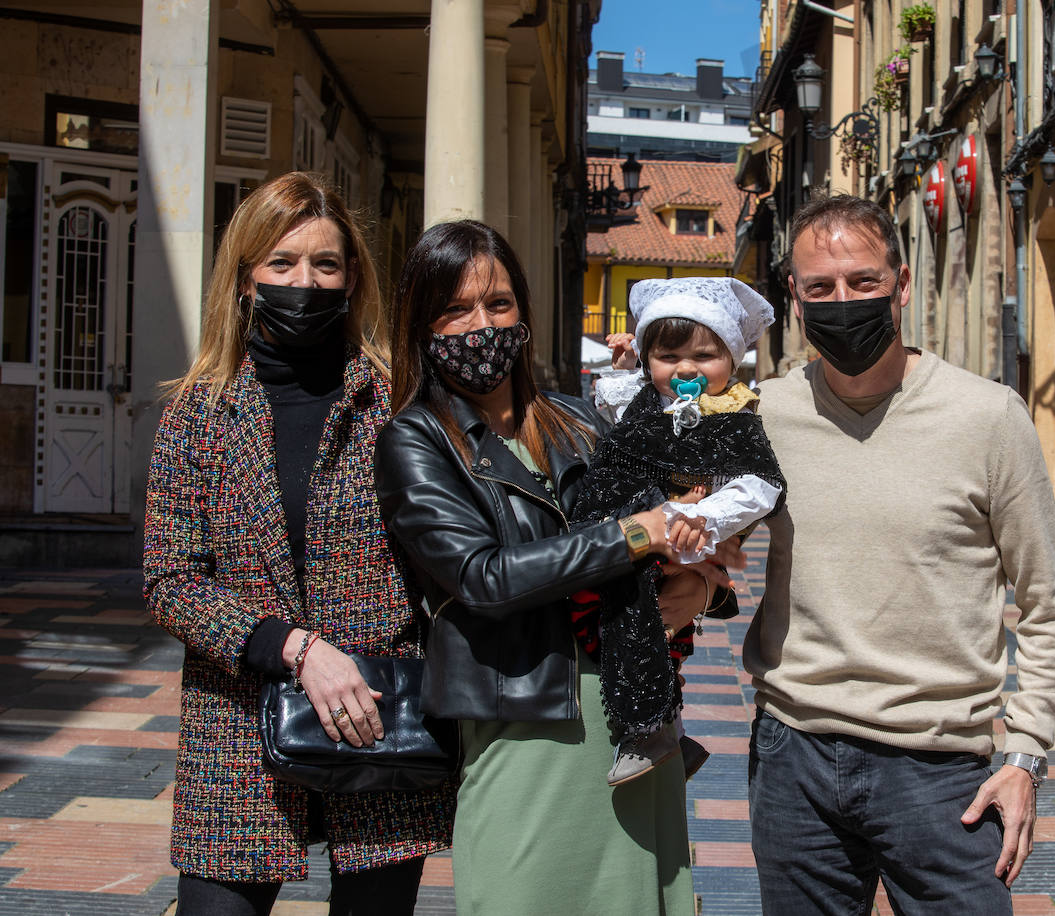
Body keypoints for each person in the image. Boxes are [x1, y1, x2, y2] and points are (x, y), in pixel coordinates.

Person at [374, 220, 740, 916]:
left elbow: (682, 531)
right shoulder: (414, 440)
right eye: (455, 309)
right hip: (527, 736)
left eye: (499, 303)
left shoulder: (580, 421)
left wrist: (701, 592)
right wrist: (638, 533)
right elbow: (485, 577)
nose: (481, 326)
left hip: (635, 730)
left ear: (525, 313)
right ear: (421, 325)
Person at [744, 194, 1055, 915]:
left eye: (863, 282)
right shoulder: (763, 415)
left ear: (902, 284)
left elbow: (1047, 603)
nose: (842, 302)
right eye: (820, 288)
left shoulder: (987, 417)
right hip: (793, 756)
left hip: (941, 770)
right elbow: (700, 545)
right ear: (793, 298)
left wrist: (1026, 755)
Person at [143, 172, 454, 915]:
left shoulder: (398, 404)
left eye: (325, 264)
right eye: (280, 264)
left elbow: (448, 555)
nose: (303, 282)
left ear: (352, 279)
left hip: (381, 714)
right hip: (237, 722)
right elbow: (170, 580)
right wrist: (297, 649)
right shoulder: (198, 413)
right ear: (246, 277)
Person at [574, 277, 785, 786]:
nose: (686, 369)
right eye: (668, 356)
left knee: (644, 631)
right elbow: (616, 401)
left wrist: (704, 517)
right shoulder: (648, 401)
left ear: (732, 361)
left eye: (704, 356)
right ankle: (668, 730)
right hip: (616, 534)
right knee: (613, 630)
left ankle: (651, 731)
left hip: (671, 545)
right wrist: (628, 365)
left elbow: (758, 486)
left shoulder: (733, 420)